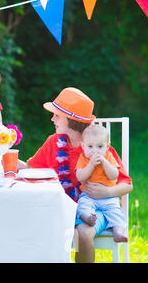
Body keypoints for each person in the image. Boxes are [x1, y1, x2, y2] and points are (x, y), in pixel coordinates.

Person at [23, 87, 132, 263]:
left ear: (71, 120)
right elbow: (29, 167)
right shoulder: (53, 143)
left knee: (83, 232)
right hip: (63, 207)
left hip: (100, 209)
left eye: (57, 115)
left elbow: (127, 184)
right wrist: (3, 157)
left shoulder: (97, 147)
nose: (52, 119)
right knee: (34, 222)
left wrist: (106, 193)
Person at [76, 124, 128, 243]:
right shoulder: (83, 158)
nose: (95, 150)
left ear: (107, 147)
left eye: (100, 146)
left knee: (116, 211)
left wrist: (104, 162)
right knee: (82, 205)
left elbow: (114, 175)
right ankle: (88, 217)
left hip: (109, 198)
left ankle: (118, 232)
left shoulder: (109, 157)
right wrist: (91, 165)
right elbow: (80, 176)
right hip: (88, 196)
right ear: (83, 146)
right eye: (90, 146)